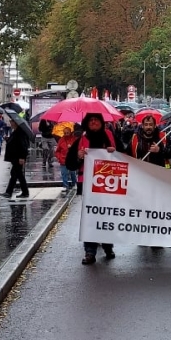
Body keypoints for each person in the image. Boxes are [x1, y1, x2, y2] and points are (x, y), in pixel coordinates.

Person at [69, 113, 117, 265]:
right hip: (88, 184)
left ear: (102, 122)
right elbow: (70, 164)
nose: (94, 122)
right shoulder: (81, 140)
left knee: (107, 217)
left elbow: (124, 155)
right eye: (91, 120)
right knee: (90, 218)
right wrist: (78, 156)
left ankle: (108, 246)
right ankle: (89, 252)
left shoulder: (110, 136)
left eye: (97, 120)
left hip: (108, 184)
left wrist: (114, 152)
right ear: (86, 123)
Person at [0, 120, 30, 200]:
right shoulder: (16, 131)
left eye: (11, 121)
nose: (10, 123)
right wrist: (8, 139)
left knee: (16, 174)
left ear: (15, 123)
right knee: (16, 174)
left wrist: (22, 157)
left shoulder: (20, 132)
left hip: (18, 157)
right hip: (15, 157)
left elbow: (23, 145)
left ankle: (10, 192)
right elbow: (14, 142)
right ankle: (17, 192)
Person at [54, 126, 78, 192]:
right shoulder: (61, 140)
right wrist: (59, 157)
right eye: (65, 133)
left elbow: (78, 148)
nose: (66, 134)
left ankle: (74, 183)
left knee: (73, 172)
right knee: (64, 173)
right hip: (63, 160)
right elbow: (57, 151)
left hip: (72, 159)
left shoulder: (74, 139)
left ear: (70, 132)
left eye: (67, 132)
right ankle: (65, 185)